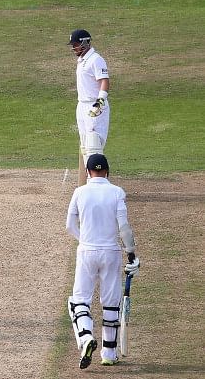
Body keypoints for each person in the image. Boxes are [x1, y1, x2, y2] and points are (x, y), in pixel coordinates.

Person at [65, 154, 140, 369]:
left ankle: (86, 337)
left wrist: (86, 240)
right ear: (108, 171)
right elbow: (123, 227)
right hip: (111, 252)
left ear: (88, 172)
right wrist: (132, 253)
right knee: (110, 303)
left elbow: (69, 225)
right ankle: (108, 353)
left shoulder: (79, 192)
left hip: (87, 252)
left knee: (79, 301)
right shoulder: (116, 192)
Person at [68, 29, 110, 186]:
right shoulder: (82, 61)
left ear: (85, 43)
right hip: (82, 106)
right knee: (85, 146)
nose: (74, 48)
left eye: (76, 44)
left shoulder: (96, 60)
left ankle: (100, 184)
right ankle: (90, 183)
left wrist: (100, 101)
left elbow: (104, 81)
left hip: (94, 106)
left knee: (94, 145)